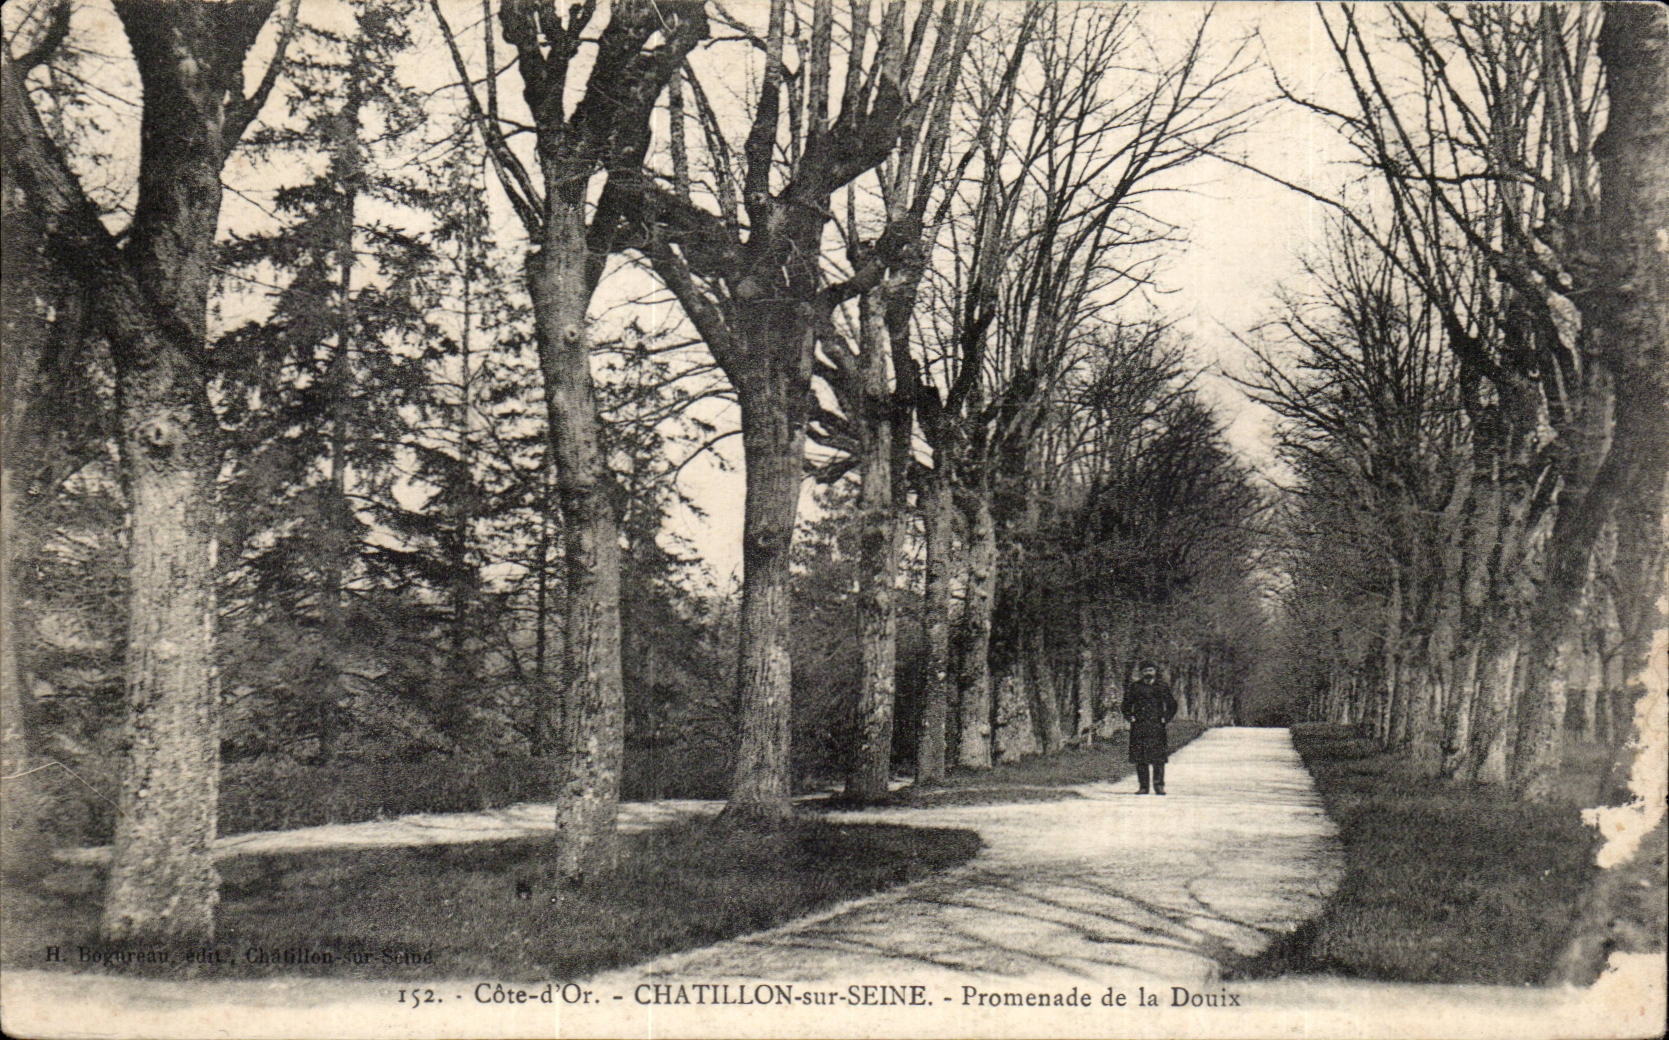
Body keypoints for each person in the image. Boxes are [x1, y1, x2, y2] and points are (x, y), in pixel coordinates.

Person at [1121, 661, 1178, 794]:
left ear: (1155, 672)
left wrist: (1166, 717)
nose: (1148, 673)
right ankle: (1143, 787)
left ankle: (1159, 786)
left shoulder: (1162, 687)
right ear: (1141, 673)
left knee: (1158, 757)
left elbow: (1172, 705)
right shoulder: (1135, 687)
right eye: (1146, 670)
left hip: (1157, 725)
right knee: (1140, 757)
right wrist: (1130, 717)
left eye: (1151, 670)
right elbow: (1125, 705)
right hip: (1139, 725)